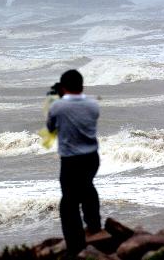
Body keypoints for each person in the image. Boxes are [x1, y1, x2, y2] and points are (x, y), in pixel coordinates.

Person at [46, 69, 102, 258]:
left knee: (69, 202)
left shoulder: (57, 106)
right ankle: (94, 226)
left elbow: (50, 128)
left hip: (71, 161)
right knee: (87, 188)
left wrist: (54, 99)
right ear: (82, 86)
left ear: (62, 87)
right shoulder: (93, 105)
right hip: (92, 158)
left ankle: (75, 245)